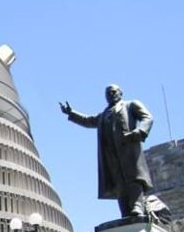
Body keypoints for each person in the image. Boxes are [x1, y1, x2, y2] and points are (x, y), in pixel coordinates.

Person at [60, 85, 154, 218]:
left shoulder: (131, 105)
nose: (111, 94)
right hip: (111, 153)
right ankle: (125, 212)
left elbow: (147, 117)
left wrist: (139, 131)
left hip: (128, 148)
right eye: (108, 93)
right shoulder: (104, 115)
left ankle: (137, 206)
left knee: (133, 177)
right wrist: (71, 113)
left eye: (114, 92)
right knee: (118, 181)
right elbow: (89, 120)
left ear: (121, 93)